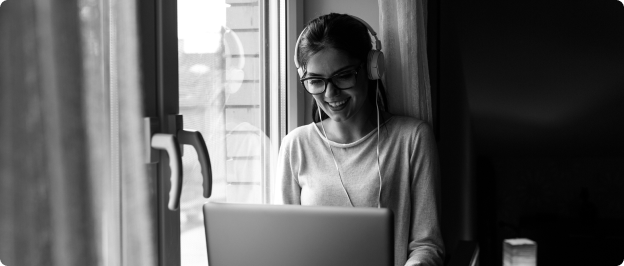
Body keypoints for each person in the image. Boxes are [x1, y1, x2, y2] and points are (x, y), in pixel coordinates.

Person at [275, 13, 444, 266]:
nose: (330, 93)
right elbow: (284, 244)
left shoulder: (412, 139)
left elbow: (426, 244)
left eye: (343, 76)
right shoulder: (295, 145)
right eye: (316, 81)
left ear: (372, 68)